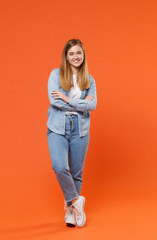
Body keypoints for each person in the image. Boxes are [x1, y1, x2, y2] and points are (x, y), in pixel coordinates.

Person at [47, 39, 97, 227]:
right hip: (58, 126)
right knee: (60, 167)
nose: (75, 57)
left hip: (80, 128)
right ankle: (76, 201)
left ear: (83, 56)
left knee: (76, 172)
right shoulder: (56, 74)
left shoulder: (89, 80)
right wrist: (80, 103)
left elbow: (93, 105)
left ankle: (70, 212)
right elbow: (54, 101)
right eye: (71, 54)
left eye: (79, 53)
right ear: (66, 57)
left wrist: (67, 99)